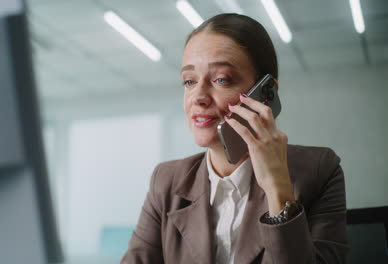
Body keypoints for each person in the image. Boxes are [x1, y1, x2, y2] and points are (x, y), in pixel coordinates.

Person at [122, 13, 348, 264]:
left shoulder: (320, 170)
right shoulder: (166, 180)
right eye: (189, 81)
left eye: (221, 80)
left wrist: (277, 188)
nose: (198, 97)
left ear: (265, 93)